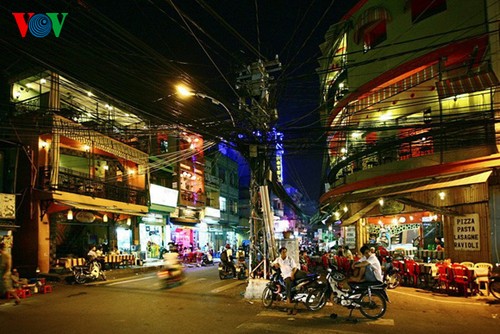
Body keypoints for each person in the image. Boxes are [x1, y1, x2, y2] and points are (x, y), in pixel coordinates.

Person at [272, 247, 307, 315]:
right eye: (283, 252)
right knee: (289, 285)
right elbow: (272, 264)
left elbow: (294, 267)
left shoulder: (290, 258)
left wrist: (292, 274)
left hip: (294, 273)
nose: (285, 253)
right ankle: (289, 301)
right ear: (280, 253)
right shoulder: (278, 259)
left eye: (285, 252)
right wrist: (275, 264)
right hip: (286, 276)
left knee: (306, 275)